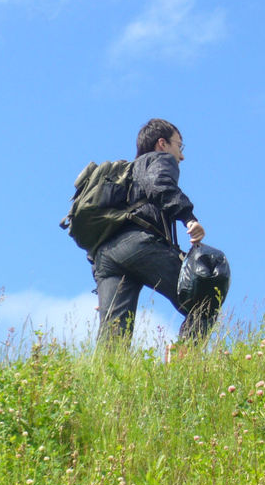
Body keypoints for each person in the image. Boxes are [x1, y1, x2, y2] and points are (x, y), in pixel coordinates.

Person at [92, 118, 219, 344]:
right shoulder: (159, 160)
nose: (181, 156)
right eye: (179, 146)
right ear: (162, 143)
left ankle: (104, 377)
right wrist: (188, 218)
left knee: (113, 337)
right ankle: (184, 364)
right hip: (140, 244)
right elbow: (159, 184)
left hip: (105, 256)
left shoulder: (123, 175)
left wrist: (100, 285)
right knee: (204, 300)